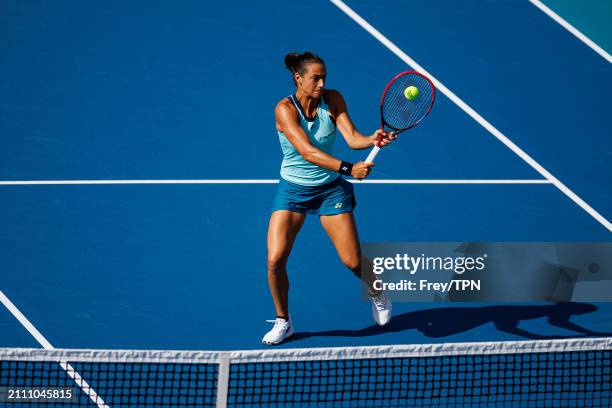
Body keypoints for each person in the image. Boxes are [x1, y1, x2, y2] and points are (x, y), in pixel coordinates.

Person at [263, 52, 396, 345]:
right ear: (298, 78)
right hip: (293, 191)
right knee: (274, 261)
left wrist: (372, 140)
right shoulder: (284, 109)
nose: (322, 83)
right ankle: (284, 321)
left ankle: (377, 290)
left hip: (329, 190)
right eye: (315, 78)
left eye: (324, 77)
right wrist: (350, 168)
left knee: (351, 261)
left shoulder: (333, 99)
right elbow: (307, 152)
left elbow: (351, 138)